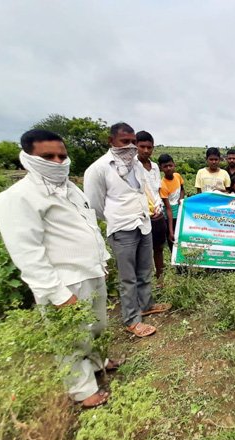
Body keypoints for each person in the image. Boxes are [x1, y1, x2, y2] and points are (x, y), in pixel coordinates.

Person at [0, 129, 123, 408]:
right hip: (64, 280)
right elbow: (27, 253)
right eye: (47, 156)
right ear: (28, 157)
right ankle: (83, 390)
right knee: (71, 338)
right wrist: (57, 292)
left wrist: (101, 262)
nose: (57, 161)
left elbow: (88, 226)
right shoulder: (18, 198)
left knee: (97, 326)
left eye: (61, 155)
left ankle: (100, 362)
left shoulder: (70, 190)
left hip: (90, 271)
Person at [84, 123, 170, 338]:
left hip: (144, 224)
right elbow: (94, 205)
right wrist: (117, 216)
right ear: (110, 141)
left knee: (144, 270)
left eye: (133, 142)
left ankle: (146, 304)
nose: (131, 147)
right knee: (128, 276)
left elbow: (146, 190)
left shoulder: (137, 166)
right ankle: (132, 319)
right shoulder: (99, 169)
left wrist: (154, 207)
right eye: (125, 142)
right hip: (122, 228)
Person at [136, 131, 166, 280]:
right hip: (142, 215)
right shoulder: (133, 166)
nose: (146, 151)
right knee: (144, 250)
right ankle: (146, 280)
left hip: (157, 213)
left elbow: (157, 190)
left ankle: (160, 278)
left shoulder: (154, 166)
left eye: (149, 147)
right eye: (142, 147)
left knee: (159, 248)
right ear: (136, 146)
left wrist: (158, 207)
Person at [158, 153, 185, 251]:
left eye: (170, 165)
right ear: (161, 168)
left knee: (182, 239)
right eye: (165, 166)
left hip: (180, 213)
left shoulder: (177, 176)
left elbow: (182, 190)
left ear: (174, 165)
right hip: (170, 217)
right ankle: (177, 265)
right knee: (173, 240)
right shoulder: (162, 185)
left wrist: (180, 199)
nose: (169, 168)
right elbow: (168, 209)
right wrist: (170, 231)